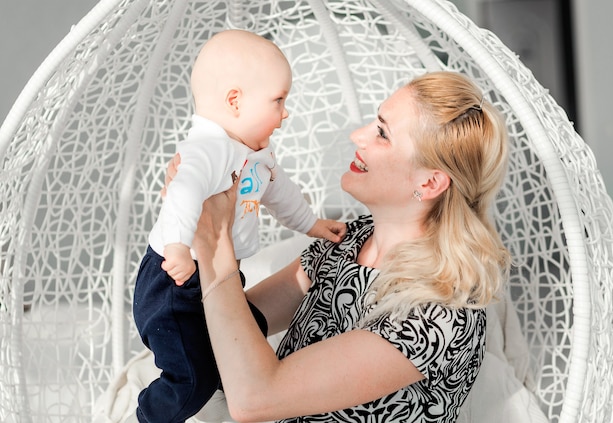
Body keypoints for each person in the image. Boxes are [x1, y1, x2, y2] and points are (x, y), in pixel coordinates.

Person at [180, 71, 511, 422]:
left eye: (382, 133)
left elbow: (255, 399)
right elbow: (227, 327)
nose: (358, 136)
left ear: (429, 182)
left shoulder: (441, 308)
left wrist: (214, 241)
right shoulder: (349, 240)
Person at [131, 29, 346, 423]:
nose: (285, 113)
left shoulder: (256, 154)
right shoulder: (209, 148)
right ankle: (146, 416)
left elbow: (282, 193)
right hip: (175, 282)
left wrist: (312, 224)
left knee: (230, 347)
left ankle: (211, 396)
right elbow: (182, 191)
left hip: (219, 275)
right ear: (235, 101)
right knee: (191, 379)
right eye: (278, 100)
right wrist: (178, 246)